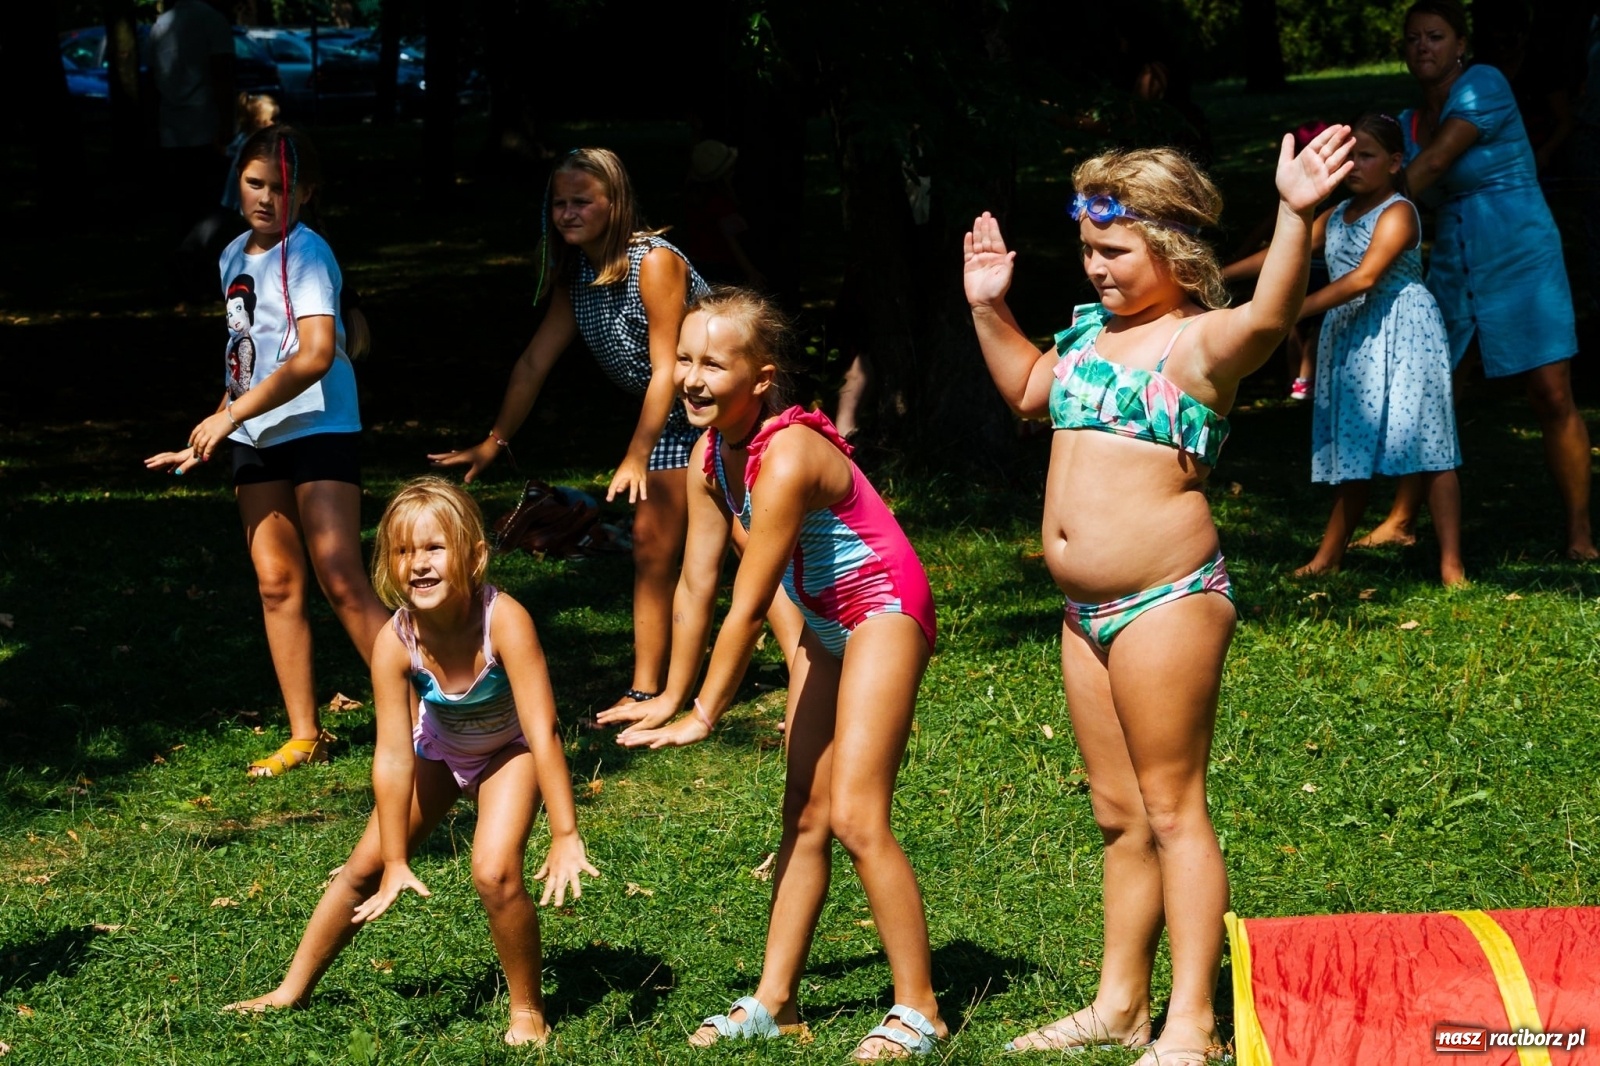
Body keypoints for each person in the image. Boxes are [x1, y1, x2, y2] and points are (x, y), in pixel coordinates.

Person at [963, 129, 1354, 1063]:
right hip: (1083, 615)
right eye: (1089, 251)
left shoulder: (1196, 344)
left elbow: (1268, 316)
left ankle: (1193, 1023)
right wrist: (989, 307)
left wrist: (1297, 214)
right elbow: (1027, 390)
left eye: (1114, 252)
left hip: (1165, 600)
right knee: (1117, 814)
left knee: (1174, 809)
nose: (1095, 268)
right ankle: (1119, 1004)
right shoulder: (1090, 334)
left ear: (1171, 252)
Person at [612, 290, 947, 1061]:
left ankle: (920, 1009)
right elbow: (697, 585)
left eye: (713, 364)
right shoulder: (706, 456)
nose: (692, 379)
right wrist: (665, 692)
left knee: (857, 814)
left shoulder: (789, 454)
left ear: (760, 377)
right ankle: (776, 1000)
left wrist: (706, 712)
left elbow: (751, 598)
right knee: (804, 810)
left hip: (883, 609)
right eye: (685, 360)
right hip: (826, 623)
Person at [223, 478, 598, 1045]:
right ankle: (290, 989)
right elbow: (394, 755)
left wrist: (565, 832)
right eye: (402, 551)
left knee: (494, 873)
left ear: (472, 556)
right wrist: (396, 857)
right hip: (440, 751)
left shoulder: (506, 620)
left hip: (510, 751)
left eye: (433, 548)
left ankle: (527, 1009)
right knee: (361, 870)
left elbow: (543, 732)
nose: (417, 564)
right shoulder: (395, 641)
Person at [428, 148, 711, 716]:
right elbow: (535, 362)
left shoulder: (654, 263)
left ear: (616, 201)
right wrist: (496, 439)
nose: (568, 212)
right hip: (674, 416)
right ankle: (644, 688)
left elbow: (666, 369)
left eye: (582, 200)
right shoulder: (577, 272)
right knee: (655, 550)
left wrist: (636, 456)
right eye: (559, 202)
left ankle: (824, 654)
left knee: (757, 550)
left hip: (717, 409)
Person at [145, 124, 390, 776]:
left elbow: (313, 357)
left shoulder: (311, 254)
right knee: (277, 584)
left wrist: (229, 416)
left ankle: (428, 710)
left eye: (280, 187)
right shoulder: (229, 256)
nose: (265, 198)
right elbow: (244, 359)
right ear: (238, 184)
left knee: (340, 577)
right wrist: (216, 428)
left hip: (319, 429)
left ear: (305, 192)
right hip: (255, 438)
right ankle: (305, 734)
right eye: (254, 184)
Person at [1363, 0, 1595, 560]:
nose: (1424, 46)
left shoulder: (1484, 85)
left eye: (1436, 36)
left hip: (1519, 253)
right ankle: (1401, 518)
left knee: (1551, 392)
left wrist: (1361, 217)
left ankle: (1580, 534)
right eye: (1414, 38)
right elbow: (1409, 176)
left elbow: (1437, 165)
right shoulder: (1408, 121)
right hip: (1456, 264)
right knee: (1433, 393)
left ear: (1460, 43)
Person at [1230, 115, 1464, 584]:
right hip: (1354, 338)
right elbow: (1281, 251)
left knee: (1430, 446)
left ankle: (1452, 565)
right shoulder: (1335, 216)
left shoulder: (1399, 212)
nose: (1354, 165)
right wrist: (1223, 274)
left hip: (1405, 333)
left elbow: (1364, 278)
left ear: (1396, 162)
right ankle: (1329, 556)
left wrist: (1290, 309)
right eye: (1348, 155)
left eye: (1367, 155)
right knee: (1352, 449)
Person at [149, 0, 236, 301]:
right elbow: (222, 70)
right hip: (205, 122)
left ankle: (189, 274)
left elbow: (154, 76)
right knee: (216, 203)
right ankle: (193, 262)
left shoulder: (161, 24)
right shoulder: (211, 19)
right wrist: (227, 121)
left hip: (172, 126)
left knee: (187, 204)